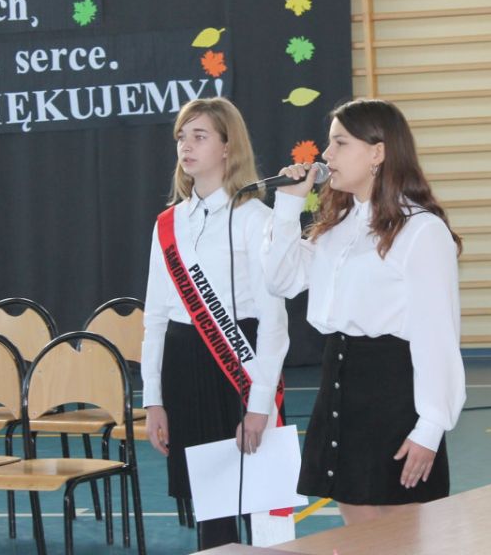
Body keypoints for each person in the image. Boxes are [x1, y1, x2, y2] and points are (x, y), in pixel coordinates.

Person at [262, 98, 465, 525]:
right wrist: (287, 206)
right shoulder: (336, 227)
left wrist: (430, 428)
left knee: (402, 538)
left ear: (377, 152)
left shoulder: (421, 231)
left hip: (392, 393)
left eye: (340, 143)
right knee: (359, 534)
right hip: (340, 384)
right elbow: (280, 280)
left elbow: (437, 337)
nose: (326, 155)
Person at [141, 97, 289, 549]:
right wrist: (153, 399)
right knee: (212, 513)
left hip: (239, 366)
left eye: (199, 136)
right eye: (181, 137)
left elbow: (273, 320)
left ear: (228, 147)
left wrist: (259, 405)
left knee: (262, 511)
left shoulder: (255, 219)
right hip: (184, 369)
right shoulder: (168, 224)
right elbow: (155, 317)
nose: (186, 146)